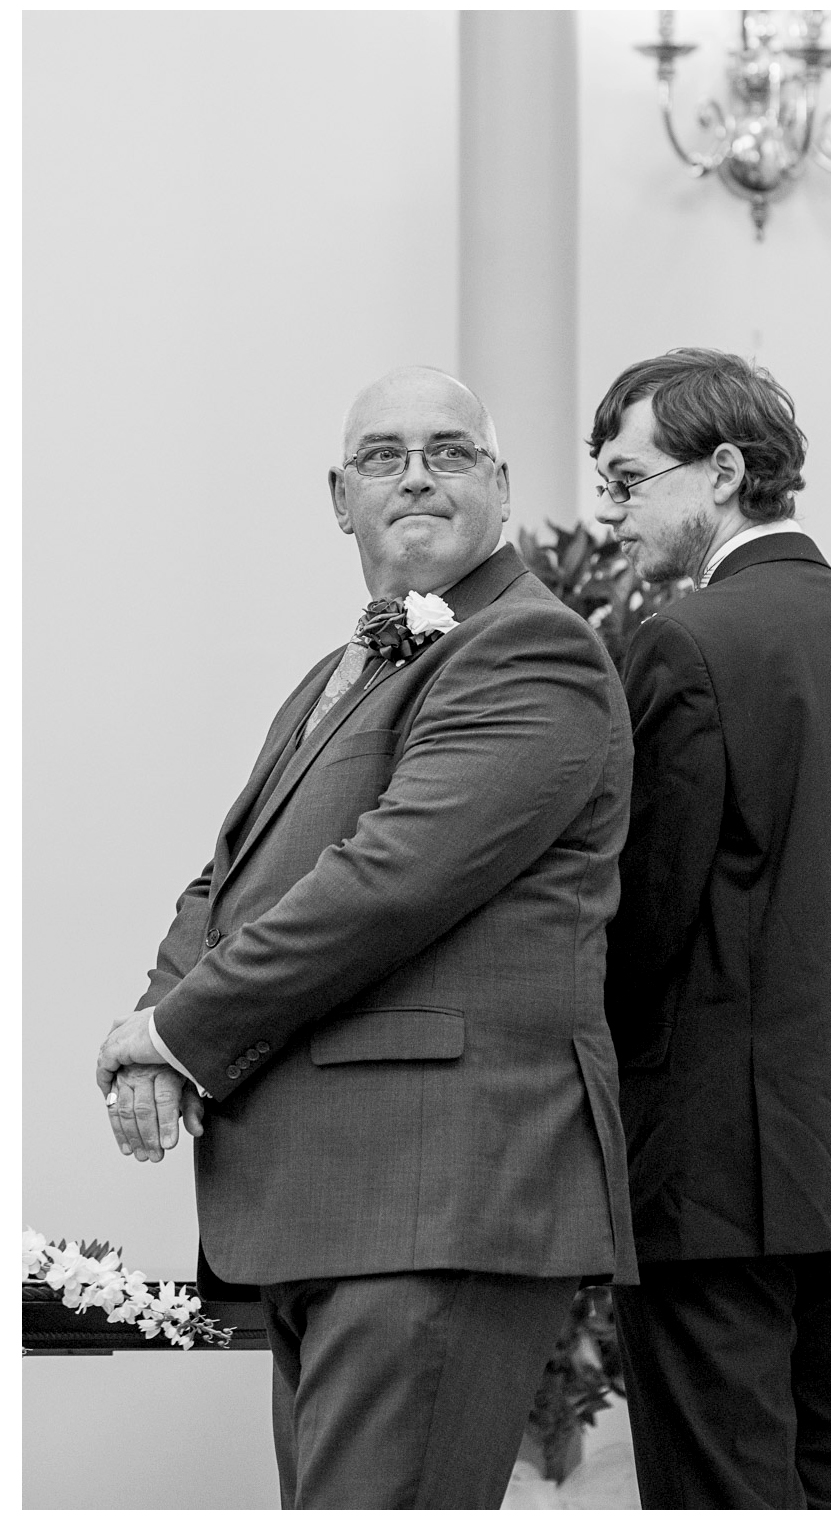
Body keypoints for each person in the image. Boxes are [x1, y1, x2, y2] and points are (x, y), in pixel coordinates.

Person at [94, 367, 638, 1508]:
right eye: (383, 457)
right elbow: (231, 874)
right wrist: (156, 1022)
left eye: (448, 451)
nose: (417, 476)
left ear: (497, 482)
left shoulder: (530, 650)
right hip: (327, 1206)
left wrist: (181, 1036)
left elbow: (385, 885)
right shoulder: (345, 669)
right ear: (340, 499)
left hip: (430, 1198)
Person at [589, 349, 831, 1508]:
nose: (613, 514)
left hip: (718, 1169)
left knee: (723, 1494)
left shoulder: (686, 641)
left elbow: (647, 917)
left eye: (626, 478)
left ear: (723, 471)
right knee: (828, 1478)